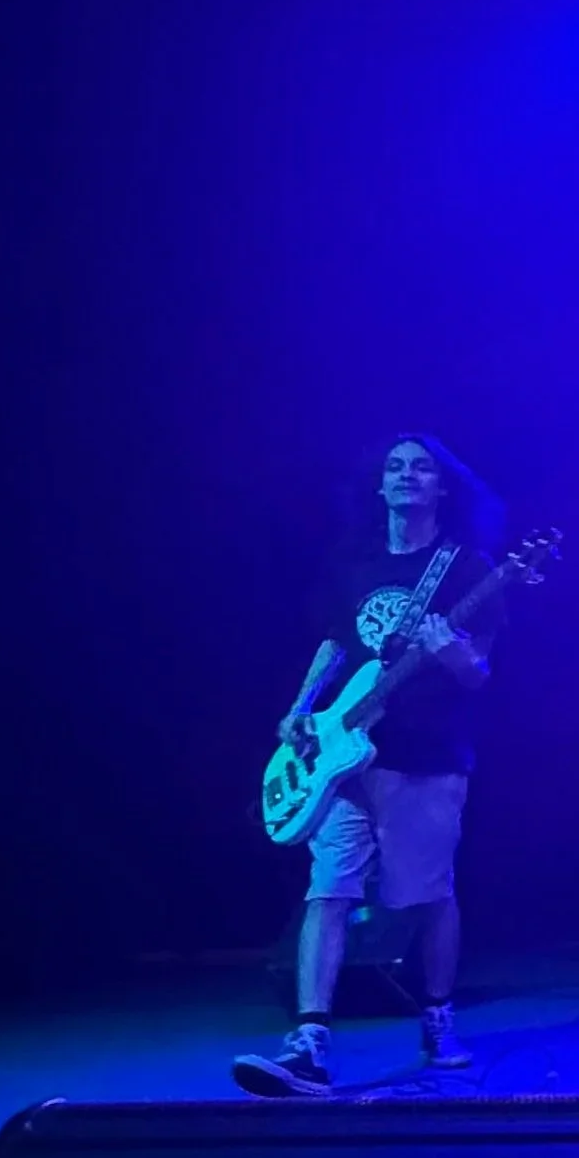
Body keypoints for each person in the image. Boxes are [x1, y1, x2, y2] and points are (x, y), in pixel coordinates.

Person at [235, 434, 507, 1095]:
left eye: (422, 468)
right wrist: (301, 708)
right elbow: (336, 643)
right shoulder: (354, 562)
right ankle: (309, 1040)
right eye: (395, 467)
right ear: (379, 485)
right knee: (327, 888)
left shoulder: (467, 568)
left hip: (426, 754)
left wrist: (449, 650)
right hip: (344, 750)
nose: (407, 475)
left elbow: (478, 671)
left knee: (427, 893)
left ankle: (437, 1016)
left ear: (443, 487)